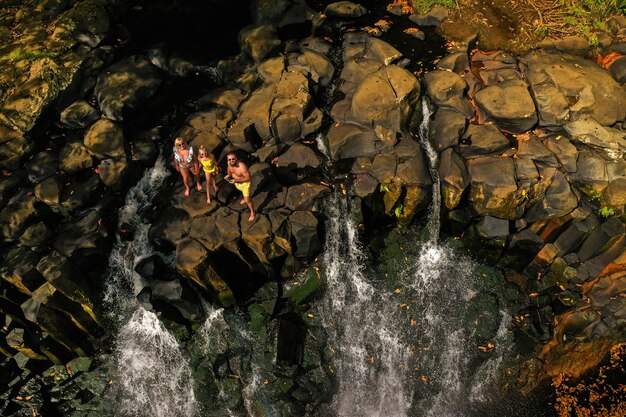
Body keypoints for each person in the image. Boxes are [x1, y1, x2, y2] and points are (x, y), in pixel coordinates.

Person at [225, 152, 255, 221]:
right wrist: (228, 176)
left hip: (245, 184)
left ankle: (253, 212)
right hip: (237, 183)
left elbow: (248, 178)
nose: (231, 161)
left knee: (248, 200)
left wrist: (236, 180)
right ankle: (244, 198)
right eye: (229, 160)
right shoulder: (229, 164)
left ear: (236, 158)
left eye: (233, 159)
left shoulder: (241, 167)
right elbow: (229, 172)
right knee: (242, 193)